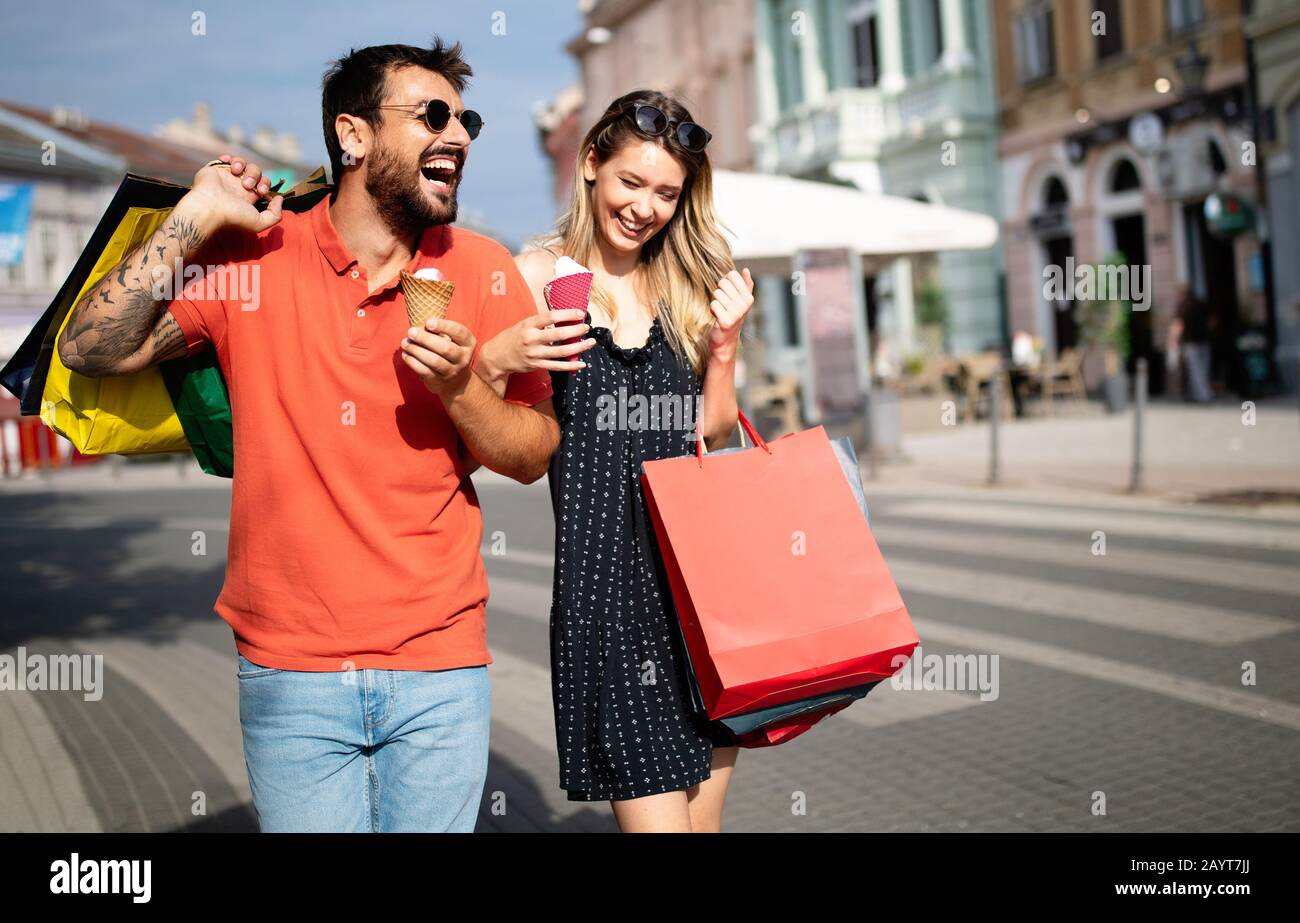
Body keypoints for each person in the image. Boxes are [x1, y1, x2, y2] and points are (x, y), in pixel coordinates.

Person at [55, 40, 559, 832]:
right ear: (352, 136)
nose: (458, 135)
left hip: (440, 663)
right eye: (432, 115)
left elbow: (532, 455)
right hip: (290, 671)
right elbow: (89, 348)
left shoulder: (485, 267)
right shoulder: (253, 255)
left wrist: (460, 386)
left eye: (467, 120)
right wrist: (191, 219)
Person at [475, 90, 755, 832]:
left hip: (701, 598)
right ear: (591, 163)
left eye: (667, 192)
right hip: (608, 601)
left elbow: (713, 431)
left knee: (705, 825)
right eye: (633, 183)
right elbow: (483, 409)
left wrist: (722, 350)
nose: (646, 207)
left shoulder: (683, 283)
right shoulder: (535, 275)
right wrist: (502, 356)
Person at [1174, 286, 1214, 403]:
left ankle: (1203, 396)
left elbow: (1178, 324)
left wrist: (1172, 340)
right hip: (1204, 341)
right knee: (1203, 370)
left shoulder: (1184, 306)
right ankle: (1198, 395)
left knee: (1195, 371)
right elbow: (1213, 320)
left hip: (1190, 343)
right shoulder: (1201, 304)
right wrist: (1205, 330)